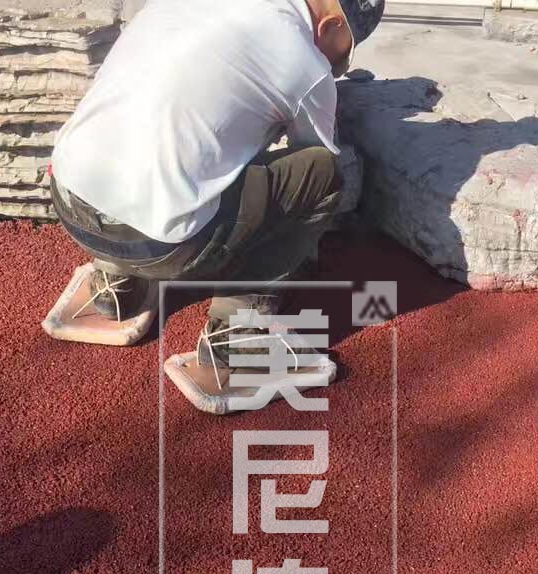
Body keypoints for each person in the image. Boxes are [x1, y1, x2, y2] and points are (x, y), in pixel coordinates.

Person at [44, 0, 384, 413]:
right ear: (330, 25)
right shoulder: (306, 65)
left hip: (69, 200)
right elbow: (311, 150)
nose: (338, 67)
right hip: (157, 244)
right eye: (343, 54)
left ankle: (115, 288)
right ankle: (237, 337)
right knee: (321, 173)